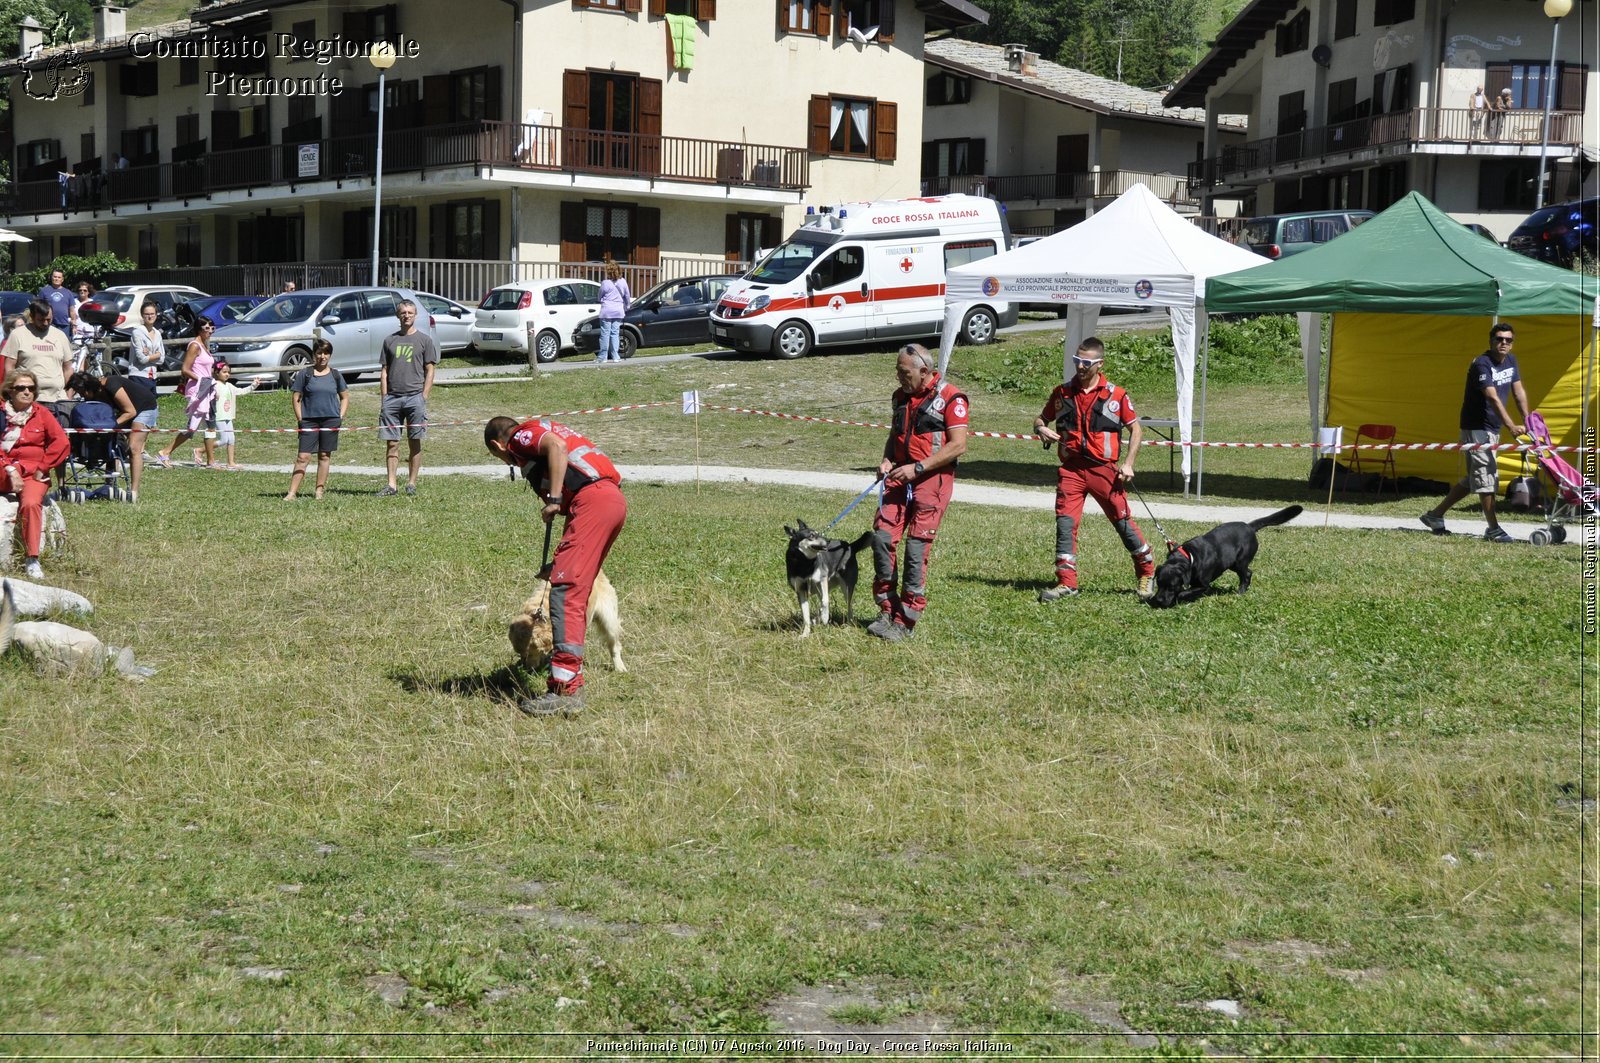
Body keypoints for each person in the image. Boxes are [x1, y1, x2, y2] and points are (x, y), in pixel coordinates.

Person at [484, 414, 627, 716]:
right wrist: (560, 559)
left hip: (593, 502)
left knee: (565, 595)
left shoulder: (521, 438)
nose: (506, 461)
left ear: (498, 445)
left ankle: (566, 689)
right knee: (569, 583)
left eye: (498, 456)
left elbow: (558, 448)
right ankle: (567, 682)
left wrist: (555, 497)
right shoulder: (543, 428)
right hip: (607, 501)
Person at [1033, 337, 1157, 602]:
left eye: (1086, 363)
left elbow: (1136, 428)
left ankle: (1146, 571)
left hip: (1104, 471)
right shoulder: (1062, 392)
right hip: (1071, 470)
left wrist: (1128, 463)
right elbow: (1041, 419)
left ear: (1099, 364)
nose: (1080, 367)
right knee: (1065, 524)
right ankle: (1067, 582)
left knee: (1122, 523)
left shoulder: (1116, 395)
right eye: (1077, 361)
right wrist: (1041, 429)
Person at [868, 343, 968, 642]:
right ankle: (887, 609)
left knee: (915, 550)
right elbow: (894, 435)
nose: (899, 377)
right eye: (898, 371)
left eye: (904, 372)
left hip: (931, 480)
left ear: (925, 371)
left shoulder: (951, 398)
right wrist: (887, 459)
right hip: (899, 476)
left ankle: (907, 619)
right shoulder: (899, 397)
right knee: (882, 538)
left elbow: (958, 445)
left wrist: (919, 468)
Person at [1420, 322, 1533, 543]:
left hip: (1492, 428)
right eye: (1499, 339)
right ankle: (1493, 529)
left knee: (1474, 480)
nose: (1503, 343)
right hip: (1476, 428)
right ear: (1491, 341)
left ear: (1512, 344)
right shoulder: (1482, 364)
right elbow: (1492, 397)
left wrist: (1529, 420)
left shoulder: (1511, 361)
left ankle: (1434, 516)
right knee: (1487, 478)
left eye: (1508, 340)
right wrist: (1511, 425)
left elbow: (1518, 391)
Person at [0, 372, 69, 580]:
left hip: (33, 473)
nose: (27, 392)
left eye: (30, 388)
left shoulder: (42, 413)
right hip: (4, 467)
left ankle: (32, 559)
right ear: (10, 391)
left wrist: (44, 466)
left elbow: (61, 442)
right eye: (21, 388)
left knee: (30, 503)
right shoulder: (1, 413)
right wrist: (10, 469)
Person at [377, 299, 440, 496]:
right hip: (392, 399)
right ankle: (391, 485)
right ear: (398, 315)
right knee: (392, 443)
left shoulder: (424, 340)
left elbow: (430, 370)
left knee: (415, 442)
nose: (406, 316)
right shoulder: (389, 341)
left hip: (415, 398)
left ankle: (412, 483)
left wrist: (424, 395)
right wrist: (385, 396)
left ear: (415, 315)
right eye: (403, 312)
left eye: (410, 313)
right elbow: (384, 371)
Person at [285, 338, 347, 501]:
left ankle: (319, 491)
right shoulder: (305, 374)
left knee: (324, 455)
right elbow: (296, 397)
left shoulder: (335, 375)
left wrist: (340, 416)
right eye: (319, 352)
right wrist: (300, 418)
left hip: (331, 420)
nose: (322, 356)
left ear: (330, 355)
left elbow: (345, 397)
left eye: (326, 353)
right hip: (309, 421)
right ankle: (292, 492)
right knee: (303, 457)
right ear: (314, 354)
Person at [152, 317, 219, 468]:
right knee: (192, 428)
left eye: (212, 328)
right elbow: (185, 369)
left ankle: (211, 461)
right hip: (198, 391)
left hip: (208, 390)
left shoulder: (204, 346)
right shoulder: (195, 346)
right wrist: (201, 380)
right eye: (206, 328)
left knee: (210, 425)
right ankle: (165, 452)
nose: (209, 331)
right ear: (199, 329)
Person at [91, 363, 158, 502]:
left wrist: (110, 426)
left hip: (145, 408)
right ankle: (110, 485)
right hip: (127, 410)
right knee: (113, 443)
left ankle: (133, 491)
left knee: (134, 448)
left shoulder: (111, 384)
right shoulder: (95, 395)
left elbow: (130, 412)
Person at [0, 300, 74, 415]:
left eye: (49, 320)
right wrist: (12, 391)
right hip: (28, 398)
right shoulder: (18, 335)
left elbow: (68, 368)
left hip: (57, 400)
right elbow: (9, 365)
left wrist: (68, 396)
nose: (45, 323)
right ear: (32, 317)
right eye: (41, 320)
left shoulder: (60, 336)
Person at [208, 360, 268, 471]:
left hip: (228, 416)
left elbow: (241, 391)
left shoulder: (229, 386)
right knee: (224, 440)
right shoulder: (214, 385)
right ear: (216, 372)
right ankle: (202, 450)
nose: (227, 374)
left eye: (228, 372)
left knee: (231, 439)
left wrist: (253, 385)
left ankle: (231, 462)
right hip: (219, 416)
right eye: (224, 372)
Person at [597, 260, 631, 364]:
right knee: (615, 333)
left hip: (607, 310)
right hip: (618, 310)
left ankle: (603, 356)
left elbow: (599, 296)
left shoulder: (605, 283)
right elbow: (627, 296)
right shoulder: (623, 281)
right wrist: (627, 306)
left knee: (605, 333)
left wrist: (602, 300)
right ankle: (616, 356)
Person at [127, 301, 165, 386]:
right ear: (142, 315)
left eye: (152, 313)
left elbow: (162, 359)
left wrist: (149, 355)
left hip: (152, 377)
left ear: (156, 314)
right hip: (138, 376)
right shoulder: (137, 332)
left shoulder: (158, 333)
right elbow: (142, 359)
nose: (150, 316)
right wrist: (156, 355)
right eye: (147, 314)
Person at [37, 269, 74, 334]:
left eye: (59, 277)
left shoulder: (68, 292)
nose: (57, 279)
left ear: (62, 279)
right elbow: (38, 307)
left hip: (64, 325)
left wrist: (74, 324)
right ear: (51, 278)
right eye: (55, 277)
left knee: (63, 343)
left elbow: (72, 310)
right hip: (48, 323)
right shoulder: (44, 291)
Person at [70, 281, 97, 366]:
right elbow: (69, 316)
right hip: (77, 333)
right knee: (76, 355)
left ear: (88, 292)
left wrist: (98, 330)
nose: (82, 292)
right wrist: (71, 322)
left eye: (85, 290)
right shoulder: (73, 302)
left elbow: (97, 317)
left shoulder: (93, 303)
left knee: (89, 357)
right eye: (80, 290)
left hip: (90, 333)